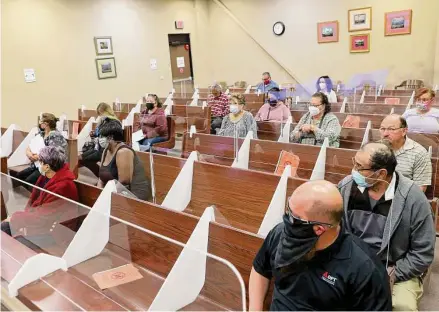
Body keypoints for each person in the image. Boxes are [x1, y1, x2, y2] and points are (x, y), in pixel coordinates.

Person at [249, 180, 392, 311]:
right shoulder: (281, 233)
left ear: (318, 229)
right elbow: (260, 269)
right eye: (289, 208)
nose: (287, 220)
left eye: (295, 218)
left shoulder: (364, 269)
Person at [339, 142, 435, 311]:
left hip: (395, 269)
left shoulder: (413, 198)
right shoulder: (346, 187)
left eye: (360, 167)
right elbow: (335, 230)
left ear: (381, 173)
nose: (353, 170)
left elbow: (423, 253)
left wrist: (389, 274)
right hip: (351, 262)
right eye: (354, 162)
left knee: (402, 307)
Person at [1, 146, 78, 237]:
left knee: (9, 233)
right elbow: (34, 201)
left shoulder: (63, 186)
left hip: (56, 232)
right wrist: (23, 218)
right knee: (4, 227)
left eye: (40, 162)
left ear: (47, 167)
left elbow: (44, 218)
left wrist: (17, 219)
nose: (39, 165)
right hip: (42, 220)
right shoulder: (46, 176)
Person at [97, 121, 152, 201]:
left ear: (111, 137)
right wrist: (99, 194)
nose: (99, 139)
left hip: (132, 194)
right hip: (114, 191)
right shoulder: (106, 151)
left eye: (102, 136)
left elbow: (123, 183)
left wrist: (105, 197)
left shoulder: (123, 151)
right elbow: (100, 178)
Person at [380, 114, 432, 192]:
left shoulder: (419, 153)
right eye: (382, 129)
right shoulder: (375, 148)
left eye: (391, 129)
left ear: (404, 131)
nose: (385, 134)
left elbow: (419, 191)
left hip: (401, 199)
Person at [16, 113, 67, 185]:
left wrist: (36, 157)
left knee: (28, 181)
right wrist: (29, 154)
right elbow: (30, 146)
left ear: (46, 124)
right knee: (19, 176)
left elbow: (53, 156)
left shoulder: (56, 136)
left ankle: (40, 195)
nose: (40, 124)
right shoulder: (41, 134)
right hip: (37, 164)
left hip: (48, 167)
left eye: (41, 122)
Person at [80, 103, 121, 177]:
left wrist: (99, 132)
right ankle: (98, 174)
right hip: (98, 148)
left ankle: (99, 175)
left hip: (106, 150)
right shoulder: (103, 121)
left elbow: (113, 130)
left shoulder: (115, 121)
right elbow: (99, 132)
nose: (100, 116)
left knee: (84, 159)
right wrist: (94, 133)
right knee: (80, 157)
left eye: (101, 114)